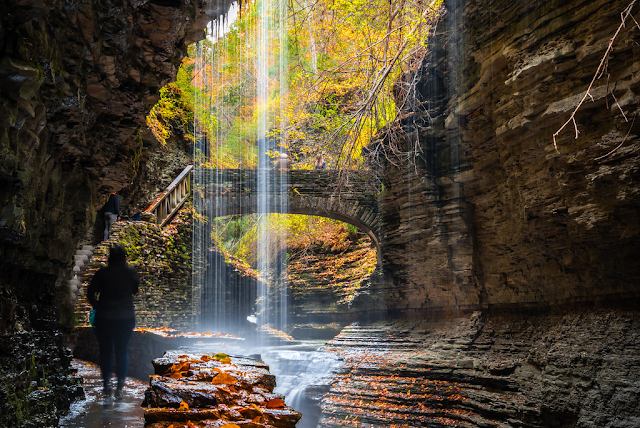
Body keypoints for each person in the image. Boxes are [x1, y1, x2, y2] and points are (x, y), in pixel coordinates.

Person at [87, 245, 139, 401]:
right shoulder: (130, 273)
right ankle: (120, 386)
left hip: (105, 318)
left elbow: (90, 292)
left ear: (110, 258)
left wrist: (97, 305)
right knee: (122, 351)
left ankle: (106, 386)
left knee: (106, 352)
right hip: (125, 318)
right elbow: (135, 290)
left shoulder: (102, 273)